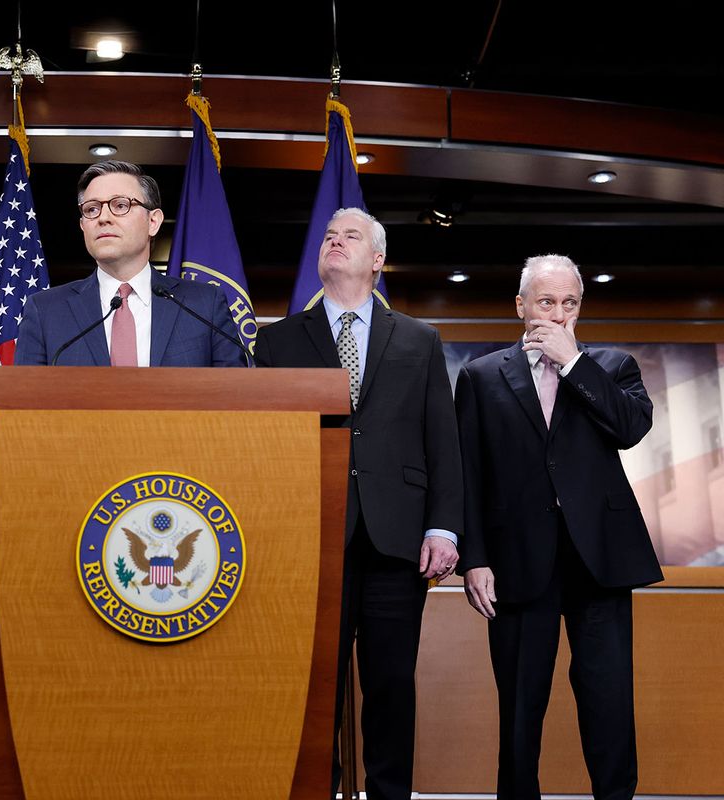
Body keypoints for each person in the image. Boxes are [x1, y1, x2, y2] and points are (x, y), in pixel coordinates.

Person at [254, 207, 462, 800]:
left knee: (392, 682)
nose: (334, 242)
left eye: (350, 236)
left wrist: (444, 528)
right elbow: (263, 448)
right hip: (309, 540)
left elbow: (441, 439)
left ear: (377, 260)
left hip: (396, 540)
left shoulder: (419, 340)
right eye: (327, 236)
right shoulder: (277, 341)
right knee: (315, 687)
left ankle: (390, 793)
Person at [455, 254, 662, 800]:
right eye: (547, 302)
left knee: (610, 704)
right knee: (521, 711)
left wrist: (572, 364)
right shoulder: (481, 376)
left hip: (600, 562)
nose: (559, 314)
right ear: (521, 306)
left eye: (570, 303)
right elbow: (467, 477)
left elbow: (630, 428)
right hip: (518, 562)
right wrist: (474, 558)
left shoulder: (612, 366)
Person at [14, 159, 246, 367]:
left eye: (121, 205)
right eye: (92, 209)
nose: (103, 218)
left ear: (153, 221)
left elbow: (235, 397)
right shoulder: (45, 311)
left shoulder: (204, 306)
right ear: (83, 225)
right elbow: (22, 404)